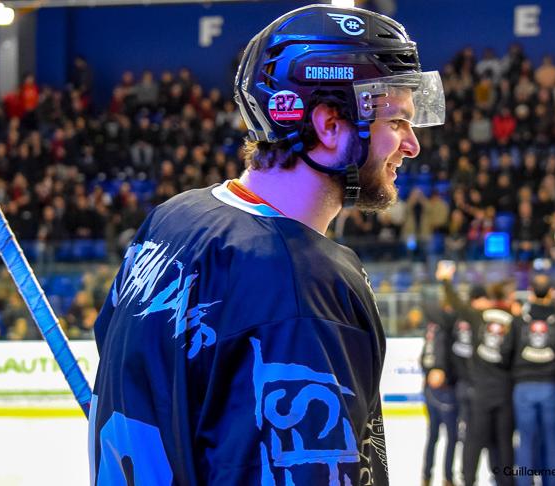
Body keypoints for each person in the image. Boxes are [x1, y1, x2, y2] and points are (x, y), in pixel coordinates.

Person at [88, 4, 445, 485]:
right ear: (329, 124)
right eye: (397, 122)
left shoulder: (171, 219)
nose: (412, 144)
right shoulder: (303, 284)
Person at [436, 261, 516, 486]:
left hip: (481, 390)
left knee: (474, 439)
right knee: (503, 442)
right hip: (503, 390)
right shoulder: (514, 320)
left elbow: (456, 303)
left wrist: (445, 280)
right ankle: (505, 481)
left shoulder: (478, 316)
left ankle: (468, 479)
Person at [511, 275, 555, 486]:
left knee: (525, 440)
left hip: (523, 387)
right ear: (551, 292)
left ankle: (524, 482)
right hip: (552, 386)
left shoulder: (518, 321)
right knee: (553, 441)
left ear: (530, 292)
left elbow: (509, 352)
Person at [419, 296, 457, 486]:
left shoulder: (431, 327)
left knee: (433, 435)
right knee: (451, 436)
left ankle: (426, 476)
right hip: (444, 388)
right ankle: (448, 478)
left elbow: (423, 357)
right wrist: (441, 370)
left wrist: (428, 373)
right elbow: (442, 354)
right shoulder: (445, 327)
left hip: (430, 388)